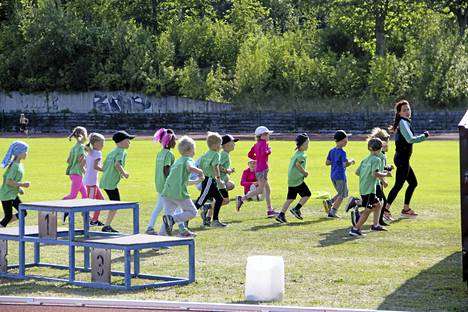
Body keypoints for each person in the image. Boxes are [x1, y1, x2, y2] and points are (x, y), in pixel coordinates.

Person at [385, 100, 429, 219]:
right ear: (399, 113)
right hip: (402, 159)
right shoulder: (403, 123)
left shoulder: (404, 122)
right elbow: (410, 139)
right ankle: (385, 209)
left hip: (403, 159)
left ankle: (405, 209)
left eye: (408, 109)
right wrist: (423, 137)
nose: (407, 111)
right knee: (398, 185)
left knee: (413, 183)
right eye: (404, 110)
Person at [161, 136, 204, 237]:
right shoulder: (188, 159)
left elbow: (183, 180)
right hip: (178, 193)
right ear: (190, 150)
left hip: (167, 192)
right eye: (194, 149)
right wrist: (200, 172)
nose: (194, 152)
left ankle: (159, 240)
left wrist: (197, 181)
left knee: (167, 218)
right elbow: (190, 167)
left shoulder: (178, 161)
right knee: (193, 212)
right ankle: (173, 220)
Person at [146, 128, 185, 235]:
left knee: (159, 206)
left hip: (159, 183)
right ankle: (182, 229)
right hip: (166, 185)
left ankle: (150, 227)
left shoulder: (160, 153)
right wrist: (173, 182)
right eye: (174, 140)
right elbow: (166, 169)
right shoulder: (169, 154)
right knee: (175, 205)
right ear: (169, 142)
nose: (176, 142)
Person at [349, 138, 389, 236]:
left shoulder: (365, 160)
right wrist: (385, 175)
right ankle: (355, 229)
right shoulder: (377, 159)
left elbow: (357, 172)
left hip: (363, 187)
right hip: (370, 189)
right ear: (380, 149)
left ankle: (375, 225)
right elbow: (375, 174)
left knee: (379, 204)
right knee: (367, 210)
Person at [236, 126, 278, 217]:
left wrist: (257, 159)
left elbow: (250, 154)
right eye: (267, 134)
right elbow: (264, 153)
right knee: (260, 190)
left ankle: (270, 210)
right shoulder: (264, 143)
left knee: (268, 189)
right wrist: (269, 150)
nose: (268, 136)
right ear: (262, 135)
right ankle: (242, 199)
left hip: (260, 169)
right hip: (263, 170)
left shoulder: (256, 144)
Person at [99, 130, 135, 233]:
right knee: (116, 204)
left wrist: (117, 173)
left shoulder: (112, 152)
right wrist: (124, 173)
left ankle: (107, 225)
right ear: (121, 142)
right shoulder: (121, 152)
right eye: (128, 140)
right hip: (110, 183)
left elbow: (104, 167)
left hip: (105, 181)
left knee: (114, 203)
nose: (129, 143)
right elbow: (117, 165)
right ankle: (107, 226)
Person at [201, 134, 238, 226]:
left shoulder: (224, 154)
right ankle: (208, 208)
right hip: (218, 182)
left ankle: (208, 219)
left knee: (219, 200)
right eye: (232, 142)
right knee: (224, 200)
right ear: (225, 144)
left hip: (218, 181)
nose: (234, 144)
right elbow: (218, 166)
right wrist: (227, 170)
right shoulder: (224, 154)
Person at [276, 133, 311, 223]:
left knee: (290, 199)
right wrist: (305, 173)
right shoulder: (302, 155)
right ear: (302, 145)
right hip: (297, 180)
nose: (308, 145)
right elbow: (298, 164)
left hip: (291, 180)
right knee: (307, 194)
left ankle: (281, 215)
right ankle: (296, 209)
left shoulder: (296, 153)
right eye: (307, 143)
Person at [194, 132, 226, 227]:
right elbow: (215, 167)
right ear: (215, 145)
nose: (221, 146)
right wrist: (219, 179)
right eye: (220, 144)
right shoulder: (216, 154)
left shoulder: (206, 153)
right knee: (201, 201)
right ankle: (185, 217)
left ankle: (215, 221)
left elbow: (200, 165)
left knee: (219, 199)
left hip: (208, 180)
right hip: (209, 180)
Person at [324, 130, 355, 218]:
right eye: (345, 141)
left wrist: (335, 161)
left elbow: (327, 162)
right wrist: (351, 161)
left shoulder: (332, 151)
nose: (346, 143)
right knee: (342, 195)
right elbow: (345, 164)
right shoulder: (342, 152)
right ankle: (332, 212)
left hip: (333, 175)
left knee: (343, 192)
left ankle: (329, 202)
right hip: (340, 176)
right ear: (340, 141)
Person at [0, 141, 30, 228]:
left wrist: (19, 188)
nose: (26, 153)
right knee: (8, 216)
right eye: (25, 151)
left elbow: (13, 179)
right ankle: (2, 225)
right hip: (7, 195)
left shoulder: (18, 164)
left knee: (23, 212)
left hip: (12, 194)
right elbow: (8, 181)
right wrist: (23, 184)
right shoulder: (15, 166)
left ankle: (2, 224)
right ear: (19, 153)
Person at [63, 126, 88, 223]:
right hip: (77, 173)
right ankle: (60, 207)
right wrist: (85, 170)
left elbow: (68, 160)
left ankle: (85, 215)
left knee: (85, 195)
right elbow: (80, 160)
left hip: (73, 173)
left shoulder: (74, 147)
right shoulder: (82, 147)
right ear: (83, 136)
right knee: (73, 195)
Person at [84, 133, 106, 226]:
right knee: (90, 202)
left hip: (92, 181)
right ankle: (87, 219)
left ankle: (94, 220)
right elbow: (95, 166)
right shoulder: (97, 153)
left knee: (101, 200)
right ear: (95, 143)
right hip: (91, 182)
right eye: (102, 143)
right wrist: (105, 170)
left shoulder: (90, 152)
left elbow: (86, 166)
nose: (103, 145)